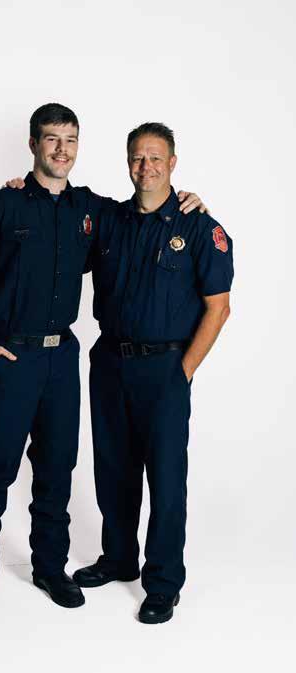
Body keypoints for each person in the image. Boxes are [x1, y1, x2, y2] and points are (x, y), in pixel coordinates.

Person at [0, 103, 206, 625]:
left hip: (62, 360)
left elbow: (145, 208)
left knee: (56, 469)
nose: (61, 150)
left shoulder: (91, 212)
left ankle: (49, 567)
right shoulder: (0, 205)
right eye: (51, 139)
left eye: (70, 140)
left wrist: (189, 203)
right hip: (9, 358)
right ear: (33, 144)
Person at [71, 122, 234, 624]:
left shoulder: (199, 227)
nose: (147, 167)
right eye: (138, 158)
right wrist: (18, 187)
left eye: (156, 157)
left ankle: (162, 582)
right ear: (127, 163)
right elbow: (57, 201)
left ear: (173, 163)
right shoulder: (108, 219)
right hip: (110, 362)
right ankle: (119, 559)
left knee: (165, 477)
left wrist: (183, 372)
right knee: (113, 469)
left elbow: (219, 308)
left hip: (165, 368)